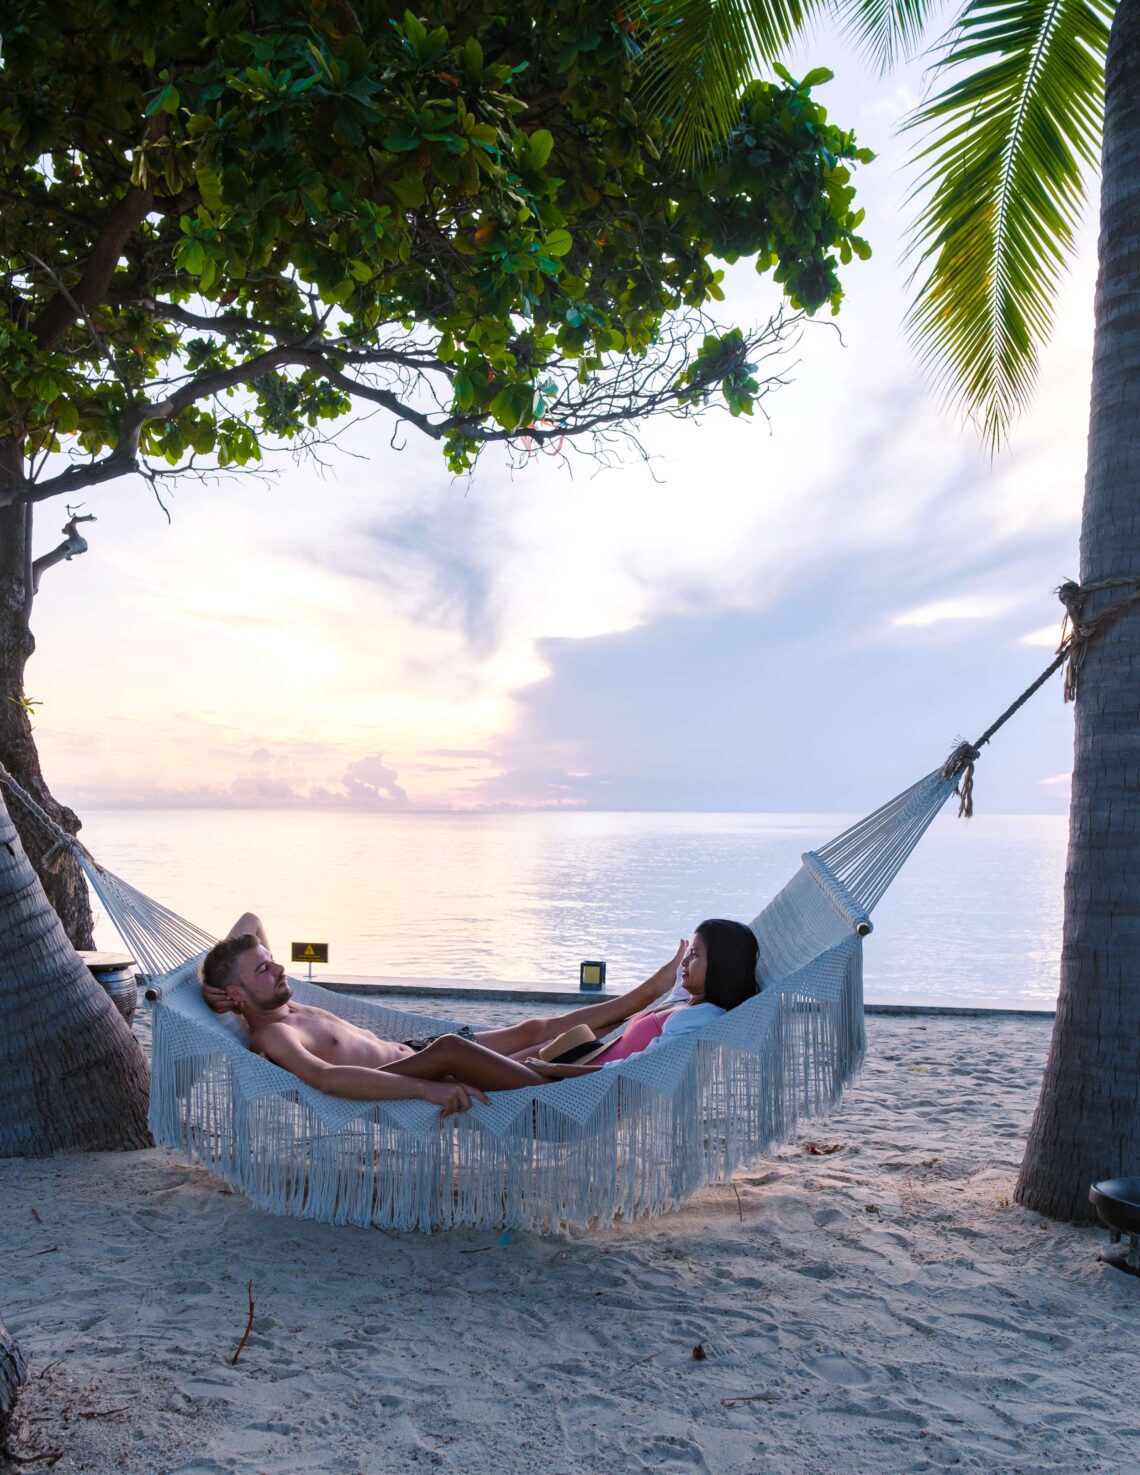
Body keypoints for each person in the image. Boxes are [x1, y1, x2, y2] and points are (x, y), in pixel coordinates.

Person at [199, 913, 691, 1116]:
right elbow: (325, 1079)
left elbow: (249, 921)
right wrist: (423, 1087)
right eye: (264, 969)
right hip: (401, 1072)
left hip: (414, 1052)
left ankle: (643, 997)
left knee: (536, 1030)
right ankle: (579, 1091)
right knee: (470, 1048)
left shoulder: (274, 997)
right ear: (239, 994)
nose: (279, 966)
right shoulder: (273, 1034)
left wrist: (208, 980)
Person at [523, 919, 759, 1080]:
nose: (684, 962)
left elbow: (640, 1069)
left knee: (486, 1060)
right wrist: (683, 958)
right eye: (687, 954)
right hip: (574, 1057)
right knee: (533, 1031)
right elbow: (673, 979)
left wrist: (556, 1069)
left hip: (568, 1084)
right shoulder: (686, 999)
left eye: (694, 955)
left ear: (721, 965)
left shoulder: (701, 1016)